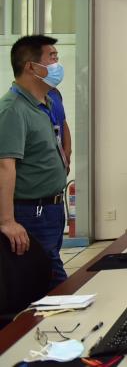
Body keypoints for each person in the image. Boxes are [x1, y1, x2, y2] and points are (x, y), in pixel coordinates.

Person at [0, 36, 69, 287]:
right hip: (31, 212)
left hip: (52, 208)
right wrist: (7, 221)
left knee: (48, 273)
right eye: (52, 57)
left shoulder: (45, 102)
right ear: (31, 66)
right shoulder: (13, 109)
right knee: (51, 280)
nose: (57, 63)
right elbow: (5, 166)